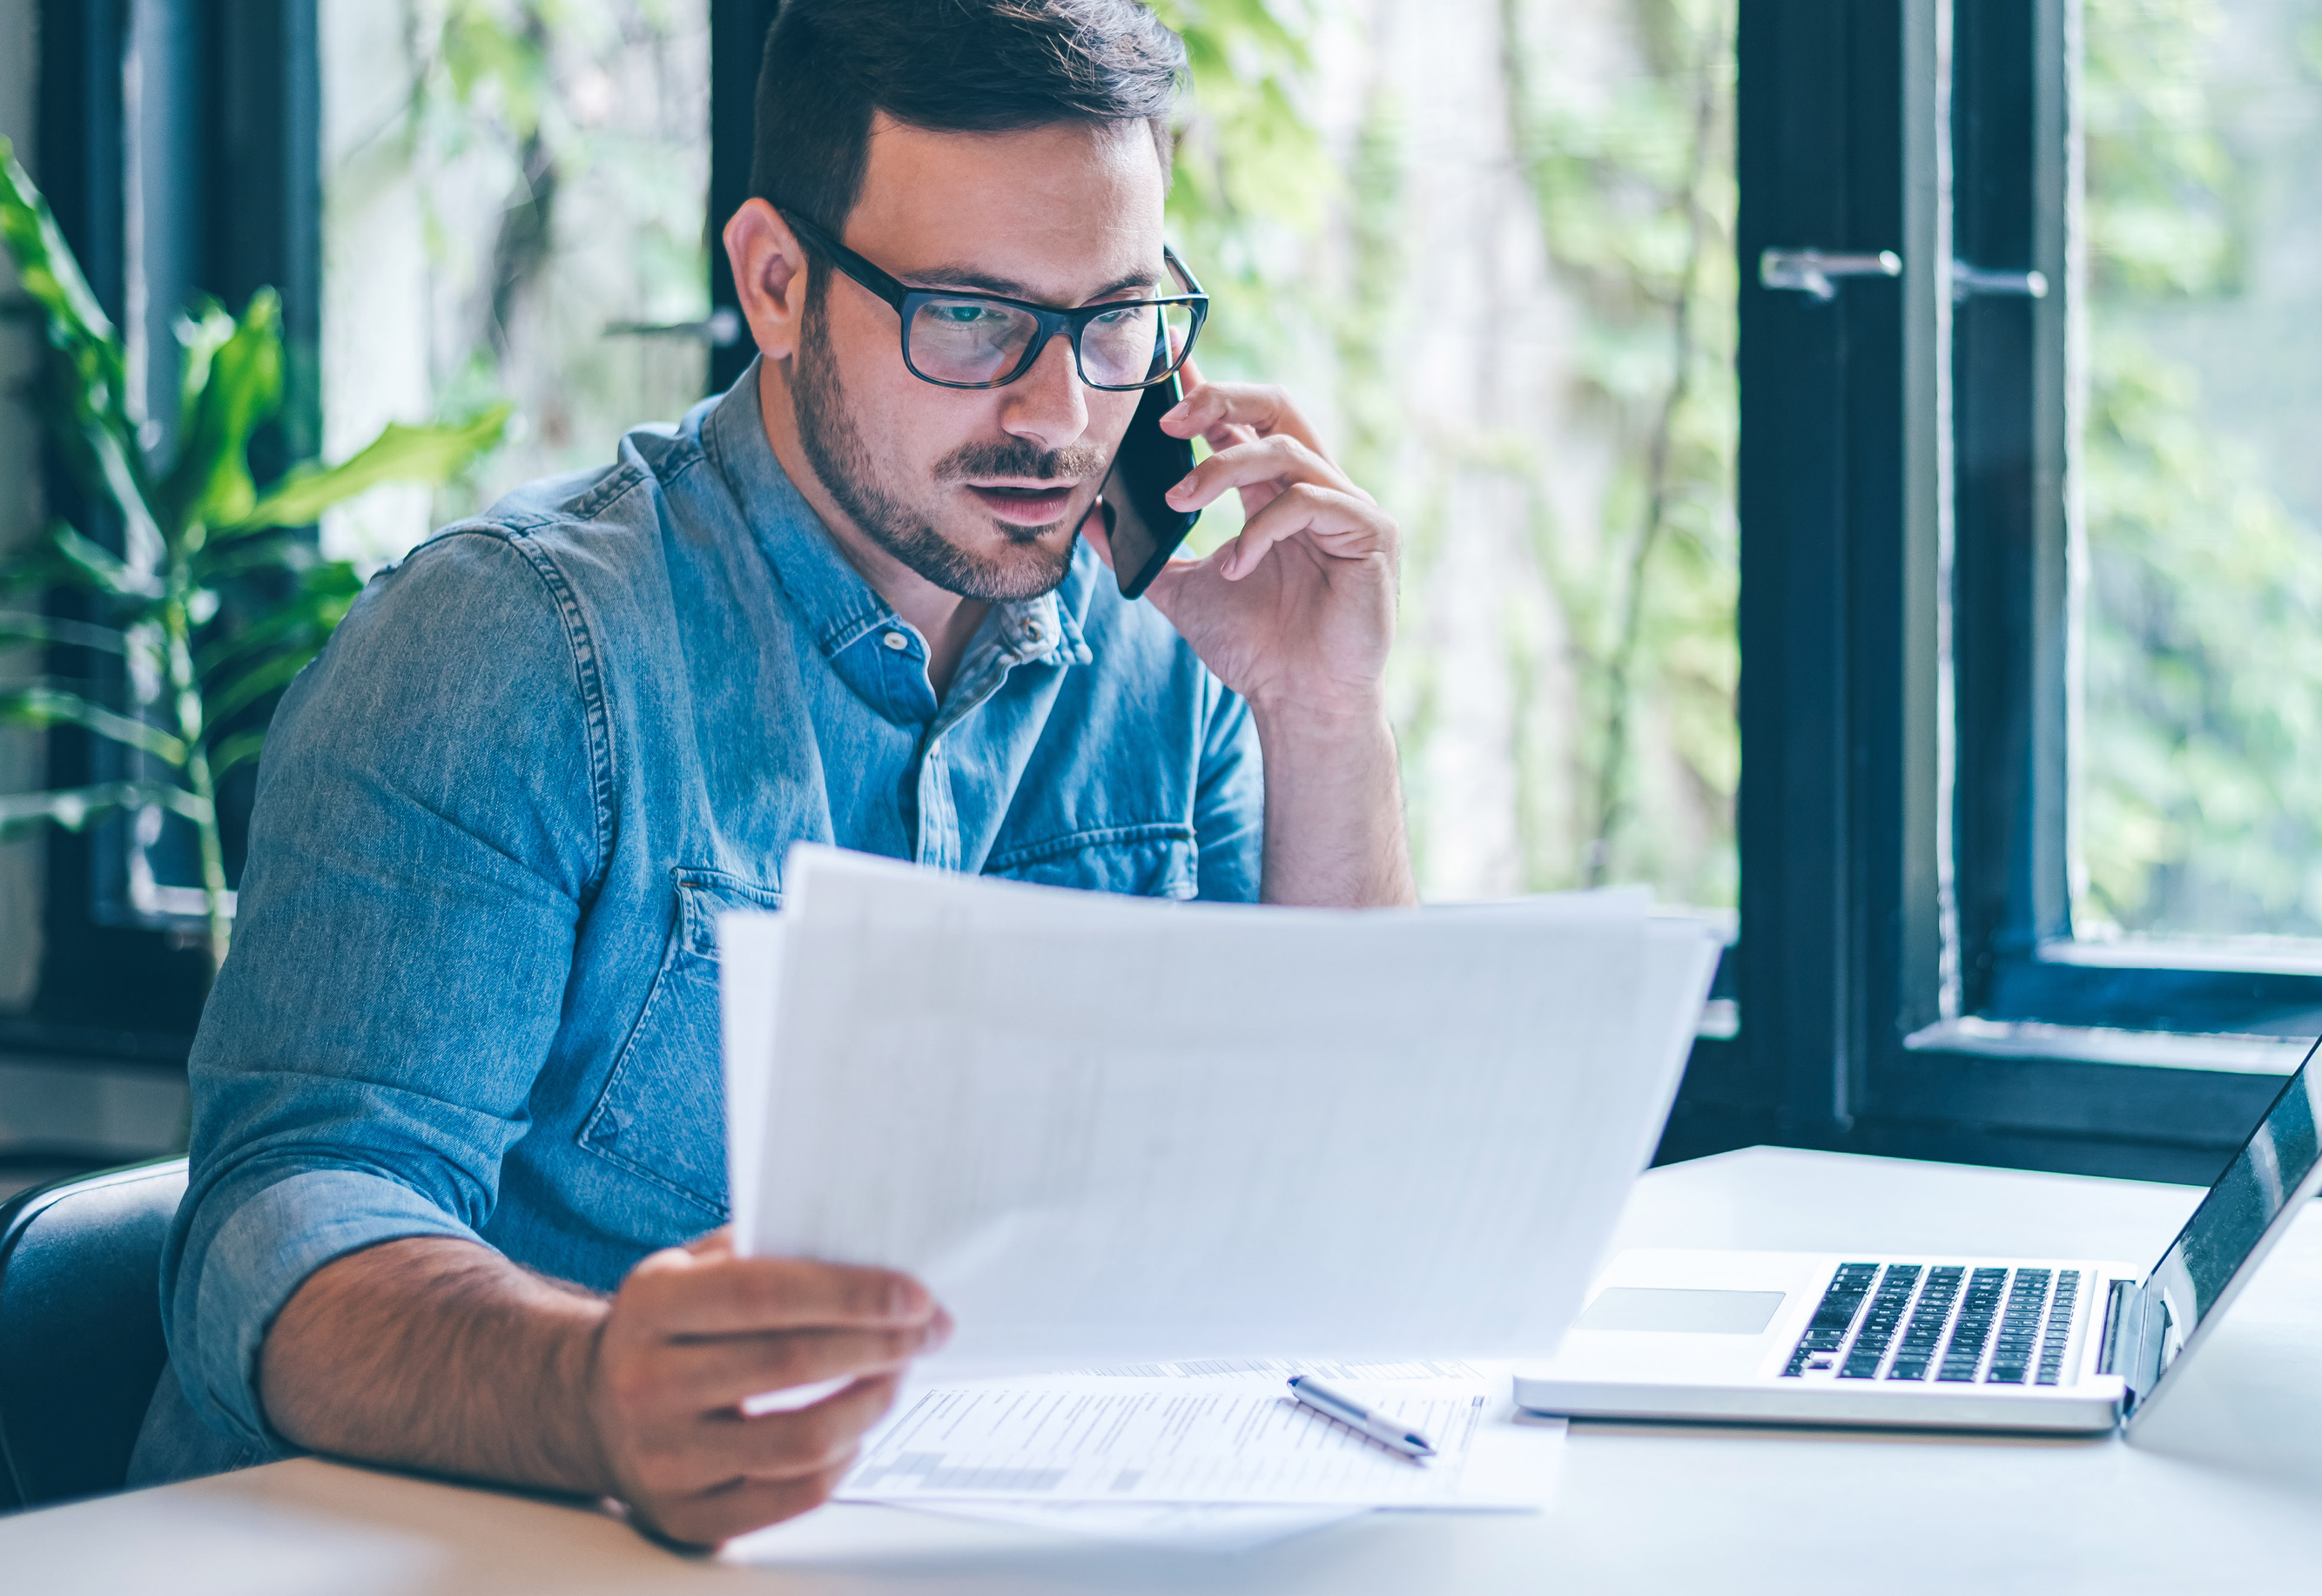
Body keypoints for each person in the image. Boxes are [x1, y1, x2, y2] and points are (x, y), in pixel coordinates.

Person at [130, 0, 1413, 1546]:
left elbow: (1337, 1210)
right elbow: (282, 1232)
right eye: (969, 316)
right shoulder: (511, 650)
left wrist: (1322, 712)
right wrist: (591, 1387)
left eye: (1115, 320)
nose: (1062, 414)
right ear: (778, 284)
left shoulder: (1167, 652)